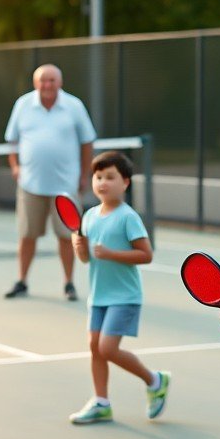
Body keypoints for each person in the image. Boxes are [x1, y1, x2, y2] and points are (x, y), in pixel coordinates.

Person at [68, 151, 169, 424]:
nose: (102, 182)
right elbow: (87, 259)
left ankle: (154, 380)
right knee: (95, 347)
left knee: (107, 348)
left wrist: (111, 253)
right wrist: (80, 248)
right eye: (98, 177)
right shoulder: (89, 216)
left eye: (109, 177)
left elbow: (146, 255)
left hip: (124, 296)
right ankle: (101, 402)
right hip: (98, 296)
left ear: (125, 182)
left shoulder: (128, 217)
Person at [3, 63, 96, 301]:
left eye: (52, 80)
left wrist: (84, 175)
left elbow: (87, 142)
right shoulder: (23, 104)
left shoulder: (74, 106)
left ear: (60, 82)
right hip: (30, 185)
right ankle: (22, 280)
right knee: (27, 235)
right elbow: (12, 140)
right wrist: (15, 166)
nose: (47, 85)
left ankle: (69, 283)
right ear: (36, 83)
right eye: (43, 80)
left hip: (66, 186)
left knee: (67, 236)